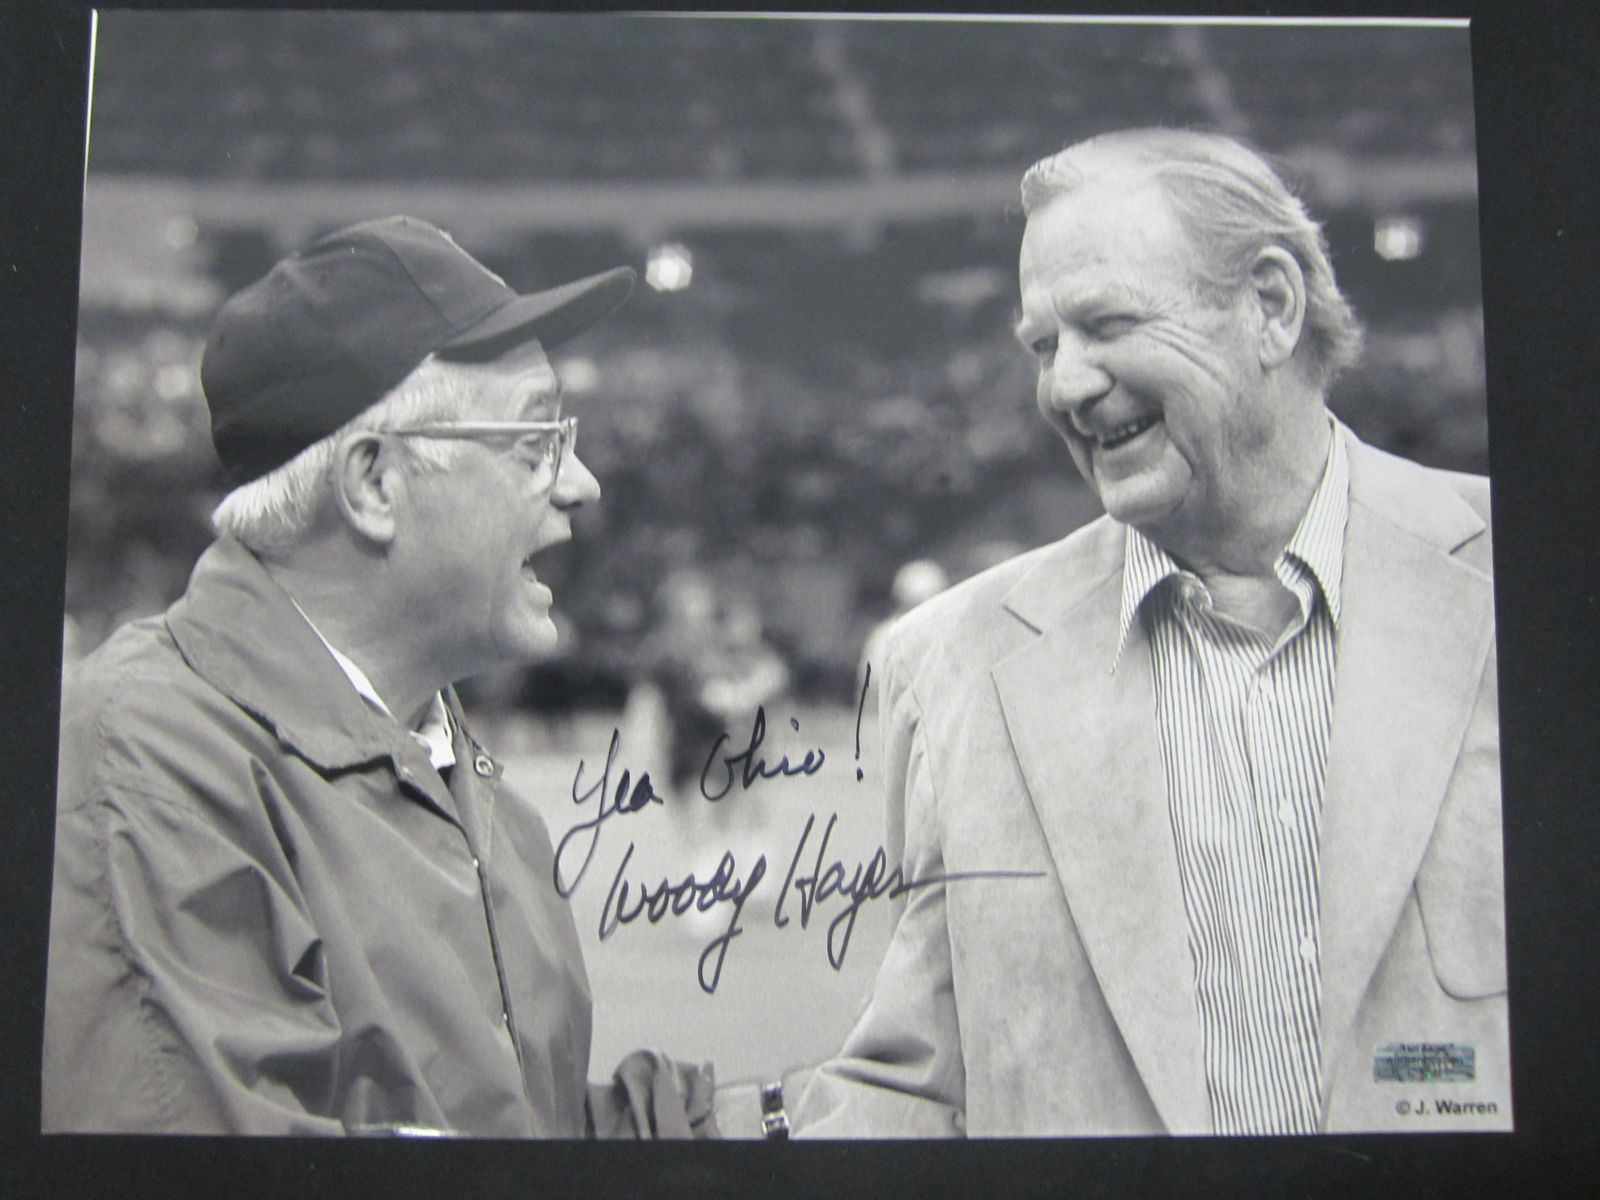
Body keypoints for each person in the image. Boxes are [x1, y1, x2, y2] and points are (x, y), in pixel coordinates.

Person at [797, 129, 1507, 1137]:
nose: (1065, 386)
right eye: (1043, 346)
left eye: (1106, 324)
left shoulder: (1533, 583)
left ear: (1270, 307)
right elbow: (917, 1091)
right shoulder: (955, 663)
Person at [43, 216, 716, 1138]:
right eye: (535, 444)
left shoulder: (477, 798)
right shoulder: (147, 765)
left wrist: (783, 1124)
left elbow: (520, 1138)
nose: (582, 483)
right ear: (373, 484)